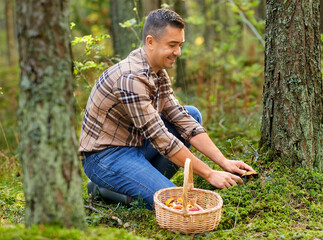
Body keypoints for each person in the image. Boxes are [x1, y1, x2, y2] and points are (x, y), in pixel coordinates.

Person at [79, 8, 254, 209]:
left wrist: (224, 162)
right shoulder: (130, 79)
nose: (178, 52)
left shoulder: (158, 71)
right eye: (172, 45)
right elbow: (161, 138)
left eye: (180, 45)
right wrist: (209, 173)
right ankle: (107, 189)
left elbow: (181, 118)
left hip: (136, 146)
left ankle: (141, 183)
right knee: (179, 204)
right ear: (150, 42)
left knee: (192, 114)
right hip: (106, 157)